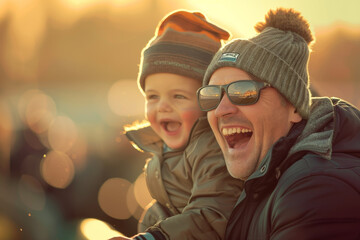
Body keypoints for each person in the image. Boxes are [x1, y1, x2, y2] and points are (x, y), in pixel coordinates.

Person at [197, 7, 360, 240]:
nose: (221, 110)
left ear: (293, 107)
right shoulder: (265, 181)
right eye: (211, 95)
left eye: (243, 92)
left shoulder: (316, 188)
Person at [110, 10, 243, 240]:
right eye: (152, 97)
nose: (162, 107)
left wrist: (152, 237)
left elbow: (211, 215)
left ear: (209, 101)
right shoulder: (163, 149)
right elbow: (169, 207)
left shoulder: (213, 150)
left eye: (178, 97)